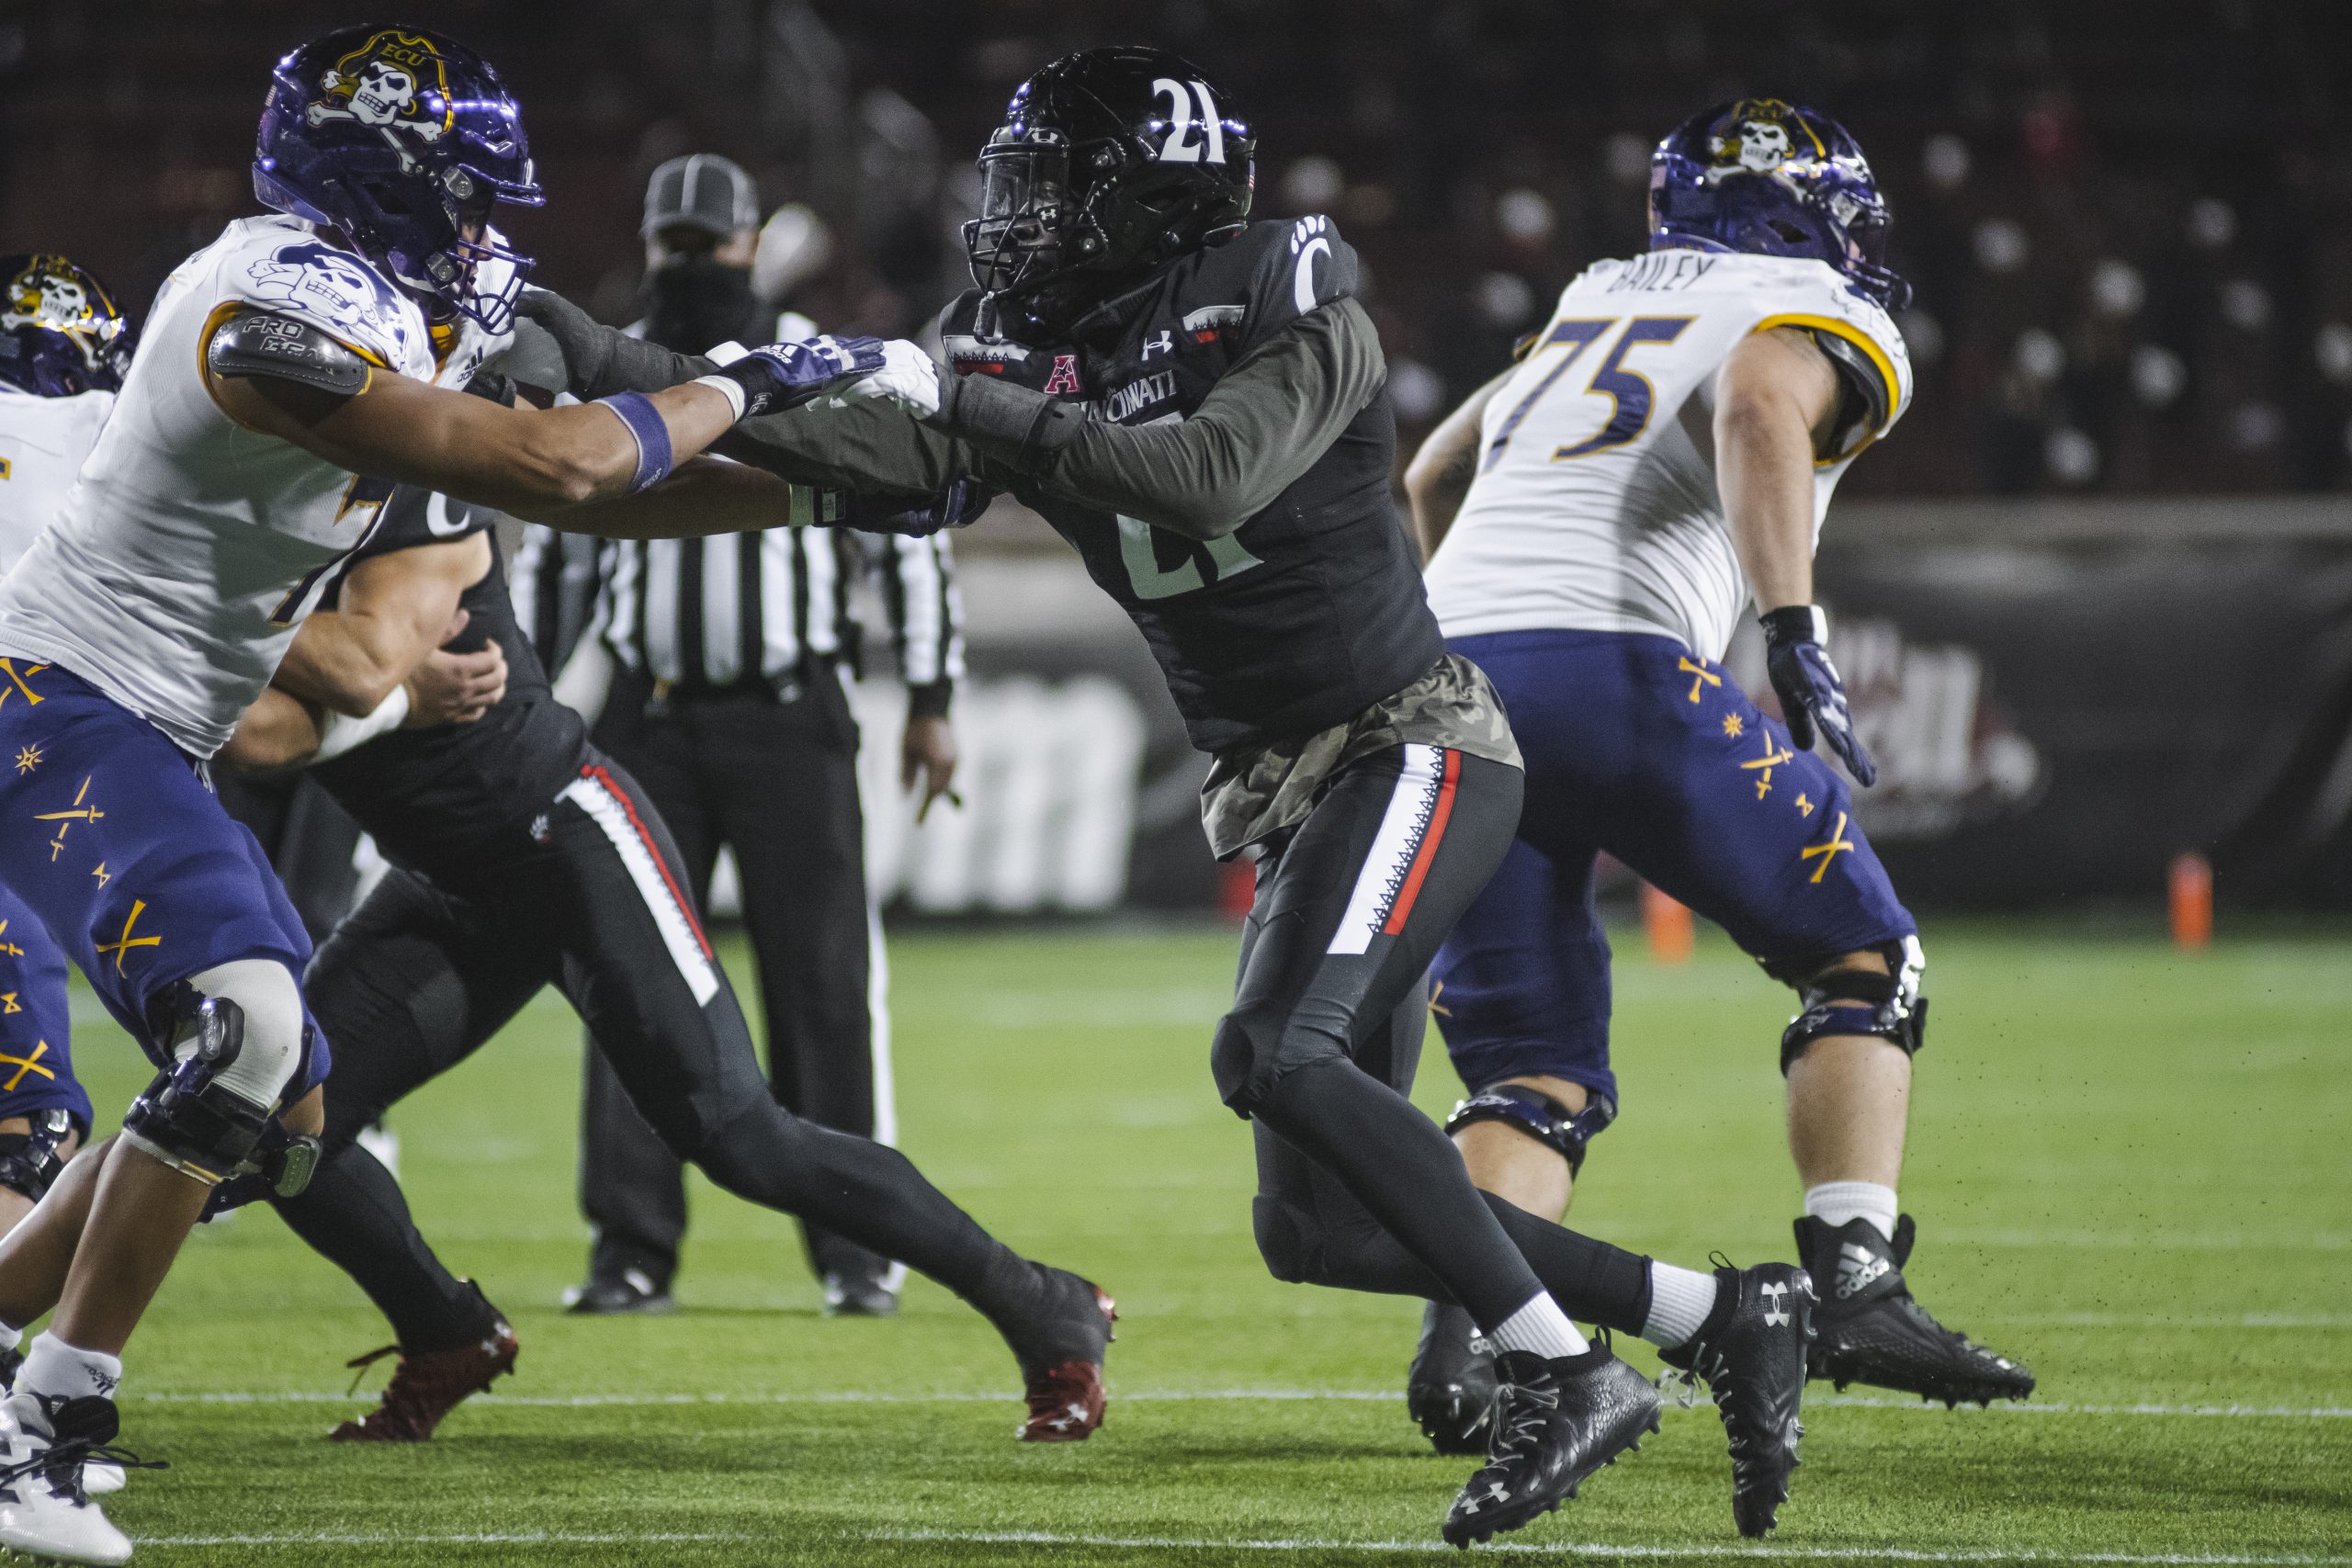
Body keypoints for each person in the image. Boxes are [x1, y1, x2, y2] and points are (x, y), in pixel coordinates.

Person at [519, 46, 1817, 1545]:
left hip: (1418, 741)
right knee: (1315, 1224)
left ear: (1143, 198)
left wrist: (967, 394)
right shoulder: (1022, 333)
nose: (1015, 219)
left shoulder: (1289, 287)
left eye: (1051, 187)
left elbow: (1205, 472)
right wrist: (609, 366)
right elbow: (848, 443)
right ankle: (1717, 1310)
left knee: (1282, 1052)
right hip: (1298, 787)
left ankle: (1568, 1371)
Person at [0, 23, 902, 1563]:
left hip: (145, 726)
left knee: (271, 1098)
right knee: (255, 1029)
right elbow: (561, 467)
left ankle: (33, 1406)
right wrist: (746, 380)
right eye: (460, 192)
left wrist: (850, 473)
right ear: (376, 176)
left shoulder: (377, 306)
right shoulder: (257, 306)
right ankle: (49, 1427)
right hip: (54, 706)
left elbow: (621, 495)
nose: (481, 230)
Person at [1400, 98, 2036, 1459]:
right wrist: (1791, 625)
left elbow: (1431, 469)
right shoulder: (1810, 302)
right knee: (1867, 961)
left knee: (1528, 1075)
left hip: (1445, 683)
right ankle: (1854, 1279)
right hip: (1612, 669)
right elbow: (1755, 400)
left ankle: (1482, 1339)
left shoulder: (1592, 297)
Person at [552, 153, 966, 1318]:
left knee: (823, 988)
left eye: (706, 245)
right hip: (650, 712)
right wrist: (524, 689)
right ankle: (630, 1251)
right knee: (628, 982)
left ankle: (857, 1251)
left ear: (746, 246)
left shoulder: (814, 363)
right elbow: (563, 537)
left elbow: (908, 530)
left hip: (793, 711)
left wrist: (932, 698)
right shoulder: (614, 362)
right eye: (673, 245)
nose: (690, 265)